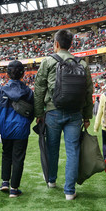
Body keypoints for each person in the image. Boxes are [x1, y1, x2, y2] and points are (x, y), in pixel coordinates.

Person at [34, 29, 93, 200]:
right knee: (72, 150)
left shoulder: (48, 61)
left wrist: (39, 113)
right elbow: (88, 92)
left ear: (56, 44)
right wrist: (87, 116)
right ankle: (69, 191)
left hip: (53, 111)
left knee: (52, 149)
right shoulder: (82, 64)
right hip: (75, 113)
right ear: (70, 45)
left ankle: (52, 180)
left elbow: (39, 89)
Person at [0, 60, 34, 198]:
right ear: (23, 74)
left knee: (6, 154)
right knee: (18, 158)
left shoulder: (1, 90)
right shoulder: (28, 91)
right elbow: (32, 112)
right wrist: (26, 123)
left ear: (7, 74)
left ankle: (5, 181)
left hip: (5, 128)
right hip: (21, 129)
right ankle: (14, 188)